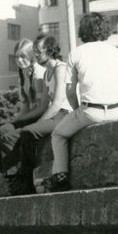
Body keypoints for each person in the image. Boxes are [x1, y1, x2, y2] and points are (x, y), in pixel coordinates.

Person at [46, 13, 118, 192]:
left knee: (58, 135)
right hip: (117, 110)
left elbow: (69, 91)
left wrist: (77, 111)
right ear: (105, 29)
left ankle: (60, 177)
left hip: (91, 112)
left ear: (83, 31)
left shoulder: (77, 53)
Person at [6, 33, 73, 194]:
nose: (35, 54)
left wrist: (38, 124)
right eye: (34, 50)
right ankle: (25, 180)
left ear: (50, 50)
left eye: (38, 51)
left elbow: (57, 103)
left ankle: (29, 181)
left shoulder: (60, 68)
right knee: (24, 132)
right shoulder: (46, 73)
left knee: (28, 132)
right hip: (54, 114)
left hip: (64, 113)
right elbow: (44, 104)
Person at [0, 39, 47, 182]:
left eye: (23, 56)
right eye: (16, 56)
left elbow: (41, 108)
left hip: (41, 116)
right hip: (30, 116)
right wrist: (15, 120)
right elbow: (24, 107)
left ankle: (16, 175)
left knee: (4, 131)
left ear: (32, 55)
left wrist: (18, 121)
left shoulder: (38, 74)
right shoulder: (22, 76)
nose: (19, 60)